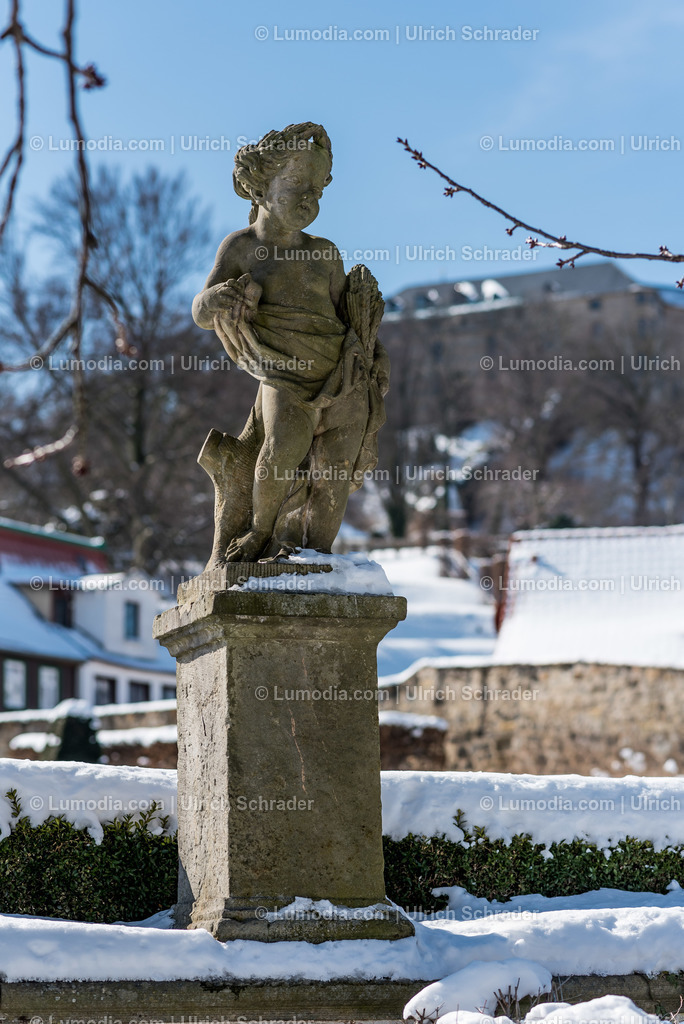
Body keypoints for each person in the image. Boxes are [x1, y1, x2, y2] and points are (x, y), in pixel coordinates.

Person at [192, 122, 389, 566]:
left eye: (317, 191)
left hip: (342, 372)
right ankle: (261, 531)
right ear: (261, 185)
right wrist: (214, 299)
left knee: (334, 473)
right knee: (280, 450)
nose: (309, 198)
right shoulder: (242, 247)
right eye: (297, 183)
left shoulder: (325, 253)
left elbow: (347, 318)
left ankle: (317, 555)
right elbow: (200, 312)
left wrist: (373, 354)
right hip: (282, 373)